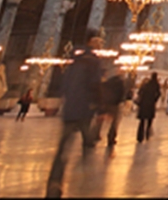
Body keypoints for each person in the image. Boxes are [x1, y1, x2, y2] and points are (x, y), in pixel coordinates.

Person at [45, 30, 103, 198]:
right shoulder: (93, 61)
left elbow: (64, 84)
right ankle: (87, 182)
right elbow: (95, 85)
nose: (101, 44)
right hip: (85, 109)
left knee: (63, 146)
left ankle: (55, 181)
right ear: (92, 41)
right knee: (88, 143)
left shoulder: (73, 60)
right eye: (99, 40)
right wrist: (100, 108)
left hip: (70, 109)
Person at [96, 69, 126, 146]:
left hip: (106, 102)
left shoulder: (109, 81)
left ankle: (95, 135)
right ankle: (111, 138)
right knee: (114, 122)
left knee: (101, 120)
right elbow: (122, 93)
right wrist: (120, 100)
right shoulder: (120, 83)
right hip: (115, 104)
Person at [136, 72, 161, 142]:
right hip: (150, 105)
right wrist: (154, 100)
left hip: (143, 105)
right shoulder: (156, 85)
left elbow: (139, 92)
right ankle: (147, 134)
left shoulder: (145, 84)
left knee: (142, 121)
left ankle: (139, 137)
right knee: (149, 121)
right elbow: (158, 94)